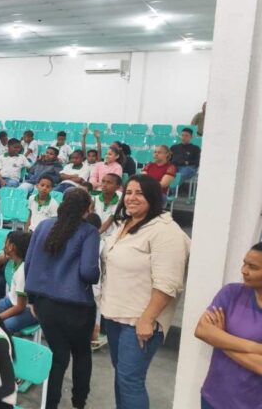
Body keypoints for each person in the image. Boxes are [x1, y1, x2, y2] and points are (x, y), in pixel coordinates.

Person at [100, 174, 189, 408]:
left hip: (140, 320)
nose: (132, 198)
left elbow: (168, 283)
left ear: (153, 196)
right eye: (129, 192)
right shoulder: (126, 224)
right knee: (122, 375)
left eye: (139, 193)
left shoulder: (166, 231)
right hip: (116, 314)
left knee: (130, 380)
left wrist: (147, 319)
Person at [24, 187, 100, 409]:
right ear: (88, 209)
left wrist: (31, 299)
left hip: (44, 303)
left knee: (58, 356)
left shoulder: (44, 226)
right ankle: (78, 402)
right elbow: (88, 272)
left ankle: (50, 404)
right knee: (81, 354)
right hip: (76, 306)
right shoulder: (89, 232)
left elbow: (29, 264)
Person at [195, 242, 262, 409]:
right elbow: (202, 330)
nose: (244, 270)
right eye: (244, 263)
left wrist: (220, 338)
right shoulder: (232, 292)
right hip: (213, 395)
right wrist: (254, 347)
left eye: (253, 267)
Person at [0, 231, 37, 333]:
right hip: (11, 300)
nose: (3, 245)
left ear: (12, 247)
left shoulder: (23, 271)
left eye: (6, 243)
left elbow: (20, 307)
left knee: (5, 325)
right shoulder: (17, 260)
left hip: (29, 309)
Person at [92, 173, 122, 237]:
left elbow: (109, 221)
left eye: (109, 182)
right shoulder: (94, 199)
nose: (104, 185)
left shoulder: (120, 202)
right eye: (103, 181)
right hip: (95, 234)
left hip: (112, 237)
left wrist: (95, 235)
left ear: (118, 187)